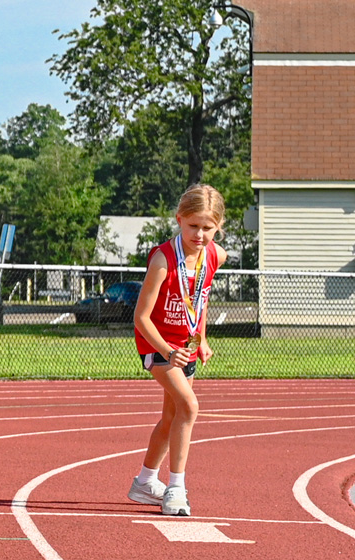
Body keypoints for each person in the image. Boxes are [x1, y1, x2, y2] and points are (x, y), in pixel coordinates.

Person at [127, 184, 227, 516]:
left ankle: (144, 481)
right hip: (157, 345)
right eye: (193, 226)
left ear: (218, 226)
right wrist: (168, 352)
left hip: (187, 346)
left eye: (207, 227)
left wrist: (203, 339)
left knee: (172, 416)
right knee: (189, 406)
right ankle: (176, 488)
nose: (200, 234)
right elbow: (140, 317)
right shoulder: (162, 260)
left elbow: (201, 298)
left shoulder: (215, 255)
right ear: (179, 220)